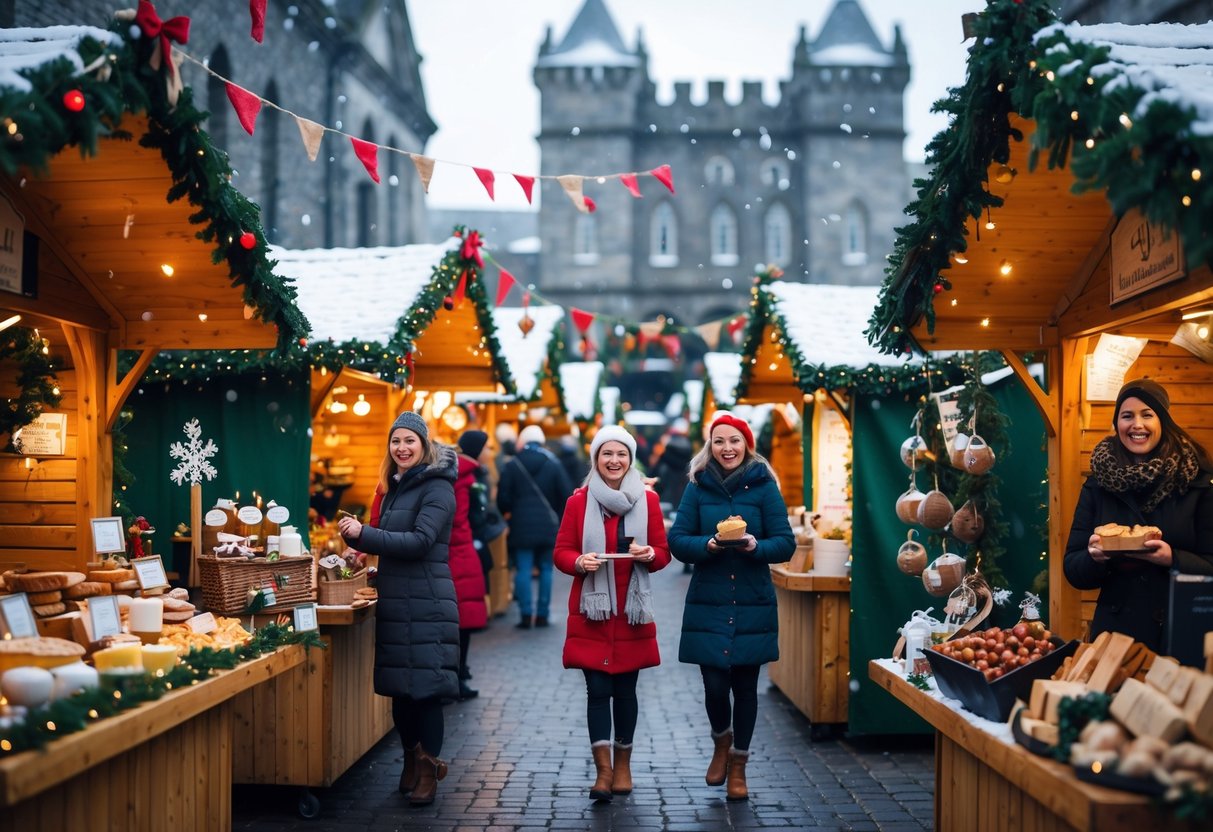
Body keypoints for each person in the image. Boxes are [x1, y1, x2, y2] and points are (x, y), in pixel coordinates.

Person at [668, 412, 795, 802]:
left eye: (734, 441)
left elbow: (785, 543)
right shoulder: (697, 486)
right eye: (719, 441)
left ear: (746, 444)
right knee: (713, 685)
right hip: (710, 597)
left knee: (745, 686)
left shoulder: (764, 486)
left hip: (752, 598)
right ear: (711, 445)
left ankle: (739, 764)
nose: (727, 448)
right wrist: (704, 546)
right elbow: (678, 539)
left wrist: (757, 546)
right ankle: (721, 741)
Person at [337, 412, 459, 807]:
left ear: (424, 445)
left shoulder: (438, 486)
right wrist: (366, 556)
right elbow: (394, 544)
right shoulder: (394, 487)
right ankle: (410, 761)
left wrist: (365, 534)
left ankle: (428, 771)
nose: (402, 448)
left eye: (410, 441)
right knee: (400, 693)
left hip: (427, 601)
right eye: (396, 441)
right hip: (397, 598)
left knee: (425, 692)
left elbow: (421, 541)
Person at [553, 425, 672, 802]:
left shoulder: (648, 502)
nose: (614, 460)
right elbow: (561, 552)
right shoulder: (578, 502)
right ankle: (603, 771)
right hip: (593, 610)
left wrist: (649, 554)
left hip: (631, 610)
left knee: (625, 691)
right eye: (607, 454)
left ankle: (623, 766)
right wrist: (578, 561)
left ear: (631, 459)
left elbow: (663, 552)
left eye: (621, 454)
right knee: (597, 690)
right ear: (596, 459)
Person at [1064, 378, 1213, 652]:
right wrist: (1095, 558)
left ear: (1163, 422)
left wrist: (1172, 558)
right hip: (1116, 637)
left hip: (1180, 631)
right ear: (1117, 423)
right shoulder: (1098, 483)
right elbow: (1073, 569)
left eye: (1148, 415)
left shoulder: (1197, 481)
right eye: (1127, 415)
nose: (1137, 425)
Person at [497, 424, 573, 628]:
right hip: (548, 525)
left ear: (523, 441)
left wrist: (511, 511)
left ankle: (525, 613)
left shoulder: (513, 464)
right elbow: (566, 494)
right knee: (547, 569)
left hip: (521, 526)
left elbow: (503, 498)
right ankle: (542, 614)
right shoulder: (553, 463)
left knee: (523, 568)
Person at [449, 430, 492, 701]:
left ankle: (458, 674)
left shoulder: (460, 473)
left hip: (458, 553)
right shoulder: (465, 477)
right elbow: (464, 520)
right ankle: (456, 677)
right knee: (459, 623)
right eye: (488, 448)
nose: (490, 452)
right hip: (459, 555)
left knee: (458, 622)